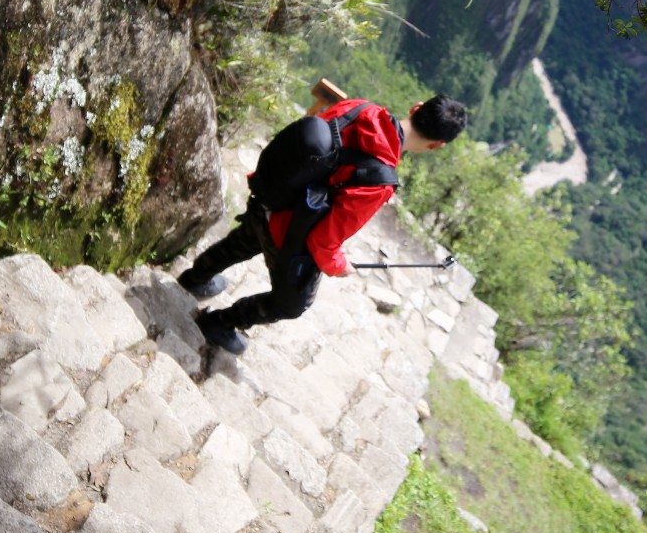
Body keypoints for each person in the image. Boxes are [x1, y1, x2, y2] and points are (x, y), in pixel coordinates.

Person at [179, 93, 468, 354]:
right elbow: (323, 241)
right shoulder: (380, 180)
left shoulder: (360, 107)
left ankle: (195, 277)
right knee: (292, 304)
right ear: (435, 146)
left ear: (416, 107)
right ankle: (220, 323)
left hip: (270, 189)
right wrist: (341, 266)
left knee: (244, 240)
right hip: (284, 227)